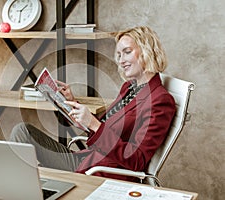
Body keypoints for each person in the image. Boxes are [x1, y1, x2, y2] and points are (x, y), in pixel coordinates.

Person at [10, 26, 176, 182]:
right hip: (87, 159)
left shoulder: (160, 101)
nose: (121, 60)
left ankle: (18, 190)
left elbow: (137, 160)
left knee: (28, 163)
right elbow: (105, 127)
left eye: (127, 52)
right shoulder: (130, 88)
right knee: (23, 131)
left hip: (100, 171)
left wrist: (94, 124)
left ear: (148, 51)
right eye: (119, 55)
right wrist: (70, 103)